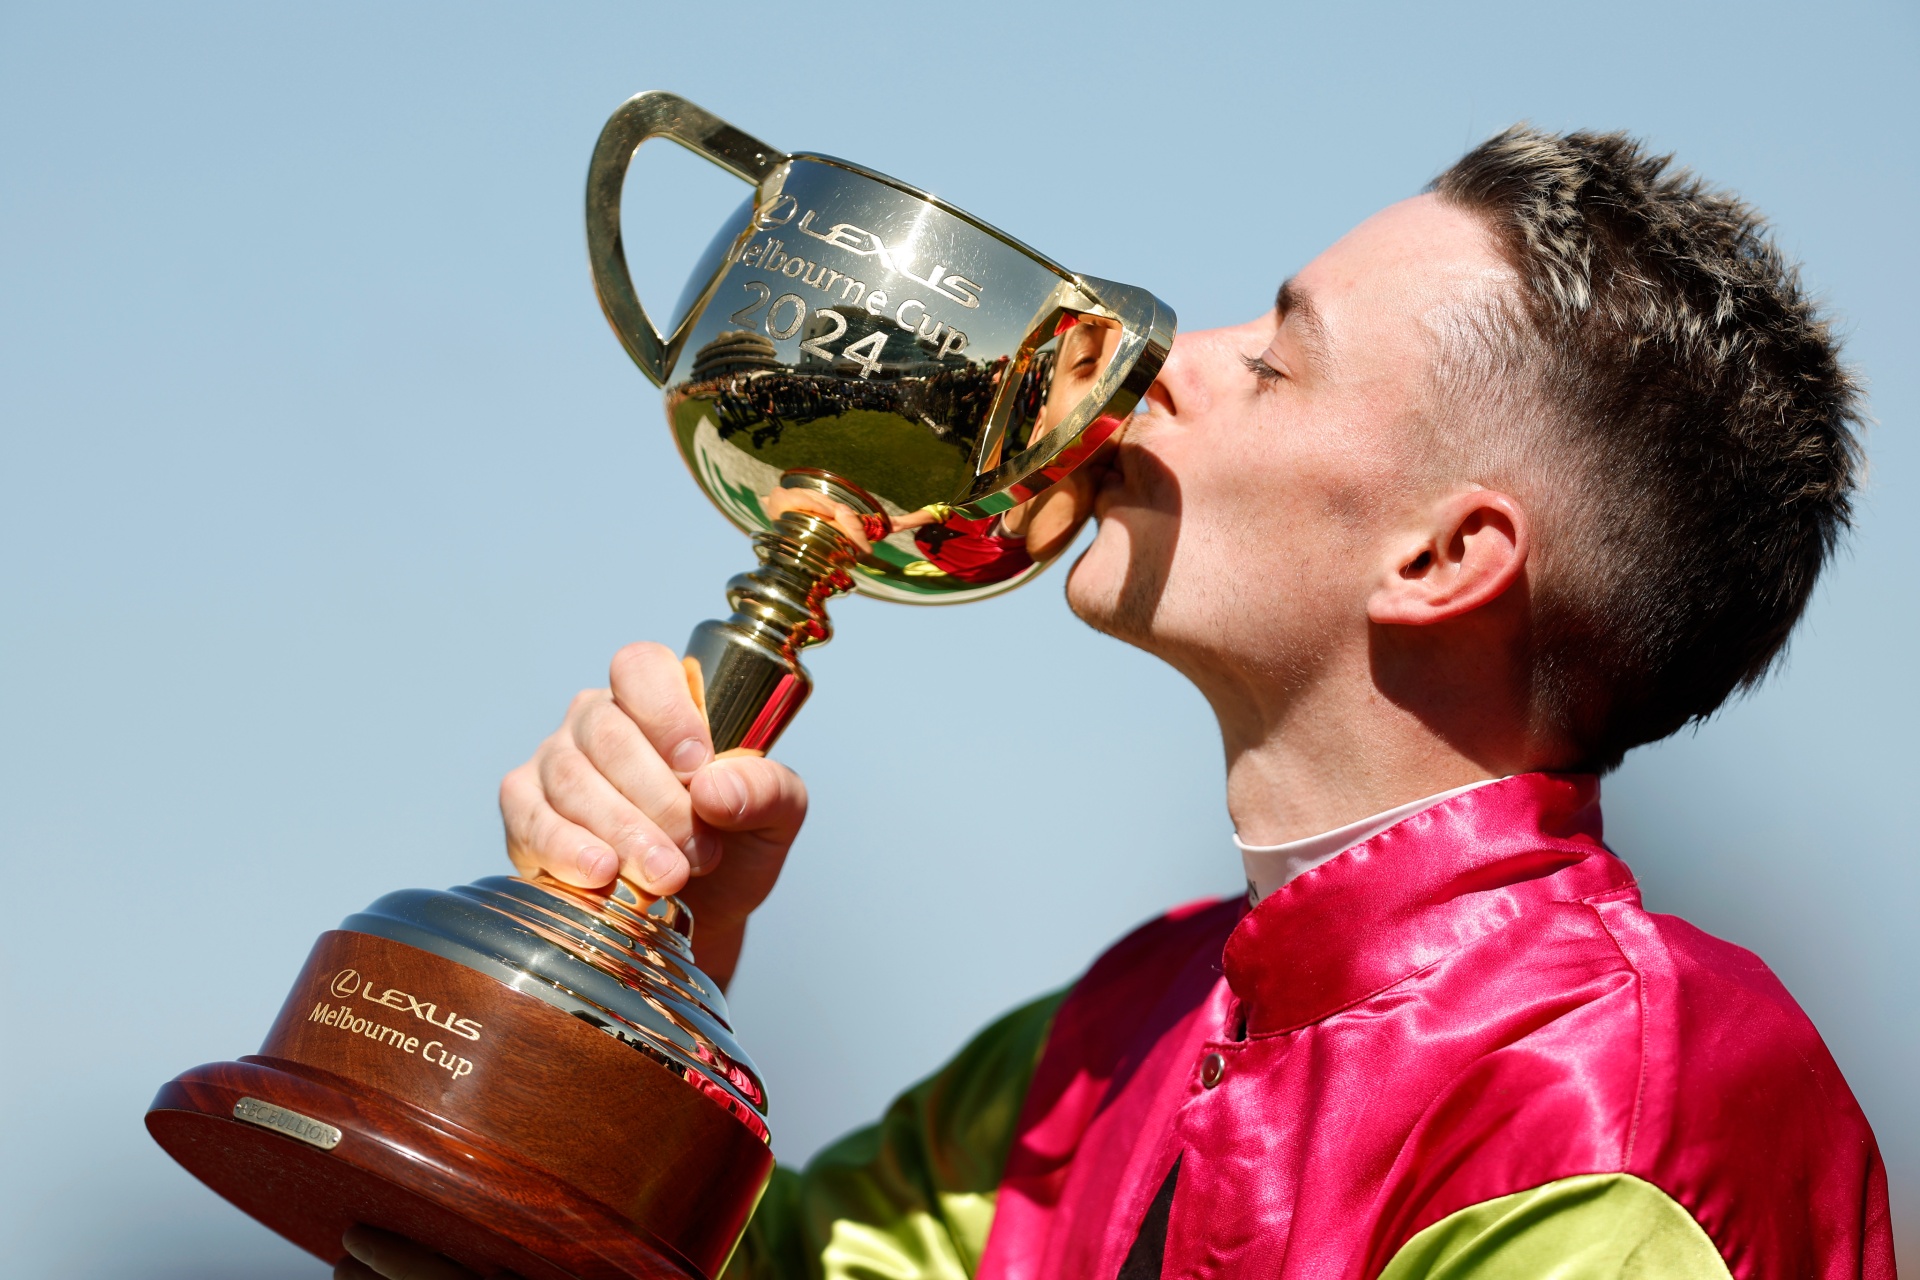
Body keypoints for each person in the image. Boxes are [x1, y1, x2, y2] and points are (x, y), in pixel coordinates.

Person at [337, 127, 1893, 1280]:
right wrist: (628, 1008)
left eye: (1275, 359)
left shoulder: (1618, 1100)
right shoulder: (1110, 1033)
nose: (1165, 363)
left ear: (1441, 559)